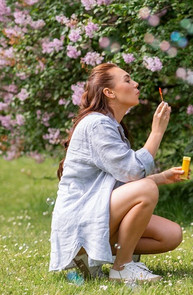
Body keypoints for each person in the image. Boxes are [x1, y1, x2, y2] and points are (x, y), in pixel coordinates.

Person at [49, 63, 185, 282]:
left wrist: (160, 177)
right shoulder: (97, 124)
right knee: (146, 189)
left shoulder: (110, 125)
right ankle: (121, 267)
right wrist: (157, 131)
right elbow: (132, 172)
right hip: (80, 217)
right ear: (109, 92)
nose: (135, 83)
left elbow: (119, 181)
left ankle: (89, 256)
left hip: (96, 209)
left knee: (171, 235)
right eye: (127, 80)